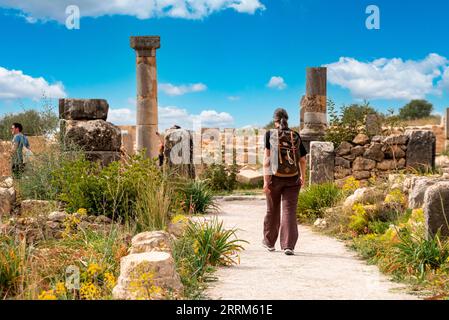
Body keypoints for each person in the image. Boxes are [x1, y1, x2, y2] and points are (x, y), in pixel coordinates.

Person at [262, 108, 307, 256]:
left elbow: (267, 161)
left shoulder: (270, 134)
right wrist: (302, 177)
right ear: (287, 119)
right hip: (293, 178)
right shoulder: (295, 135)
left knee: (272, 209)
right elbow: (302, 160)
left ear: (275, 121)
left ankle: (269, 243)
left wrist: (266, 181)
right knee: (289, 211)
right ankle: (288, 245)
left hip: (274, 178)